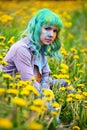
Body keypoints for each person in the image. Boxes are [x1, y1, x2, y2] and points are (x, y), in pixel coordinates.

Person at [3, 8, 67, 91]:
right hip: (14, 90)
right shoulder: (21, 49)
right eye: (47, 29)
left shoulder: (40, 47)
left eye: (55, 31)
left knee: (64, 83)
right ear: (36, 28)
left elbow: (46, 74)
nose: (51, 35)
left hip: (35, 85)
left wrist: (46, 89)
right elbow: (29, 83)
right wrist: (47, 95)